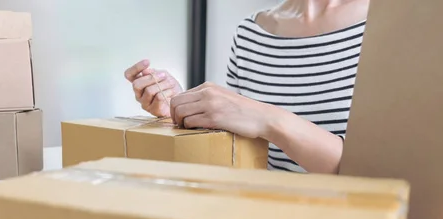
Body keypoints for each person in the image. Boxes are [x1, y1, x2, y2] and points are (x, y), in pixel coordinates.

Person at [124, 0, 369, 174]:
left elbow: (378, 174)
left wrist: (269, 119)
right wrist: (184, 111)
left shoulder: (389, 25)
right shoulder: (250, 34)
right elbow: (238, 153)